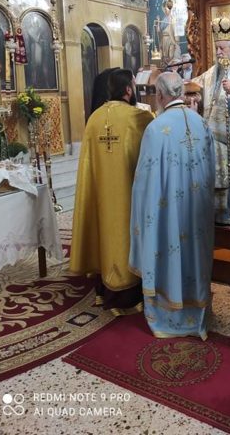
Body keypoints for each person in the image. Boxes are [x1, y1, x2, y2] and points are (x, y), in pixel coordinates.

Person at [129, 72, 215, 339]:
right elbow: (212, 170)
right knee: (196, 256)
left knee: (170, 254)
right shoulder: (201, 122)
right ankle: (198, 315)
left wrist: (143, 213)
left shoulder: (157, 128)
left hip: (169, 213)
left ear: (159, 95)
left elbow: (145, 181)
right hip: (197, 211)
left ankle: (170, 318)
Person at [70, 69, 153, 314]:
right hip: (128, 198)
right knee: (126, 234)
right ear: (128, 89)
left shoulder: (94, 118)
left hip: (102, 198)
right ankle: (130, 295)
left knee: (104, 233)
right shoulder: (139, 118)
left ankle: (102, 289)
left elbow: (88, 167)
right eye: (134, 85)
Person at [192, 16, 230, 223]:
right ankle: (215, 221)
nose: (218, 52)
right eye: (217, 48)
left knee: (229, 181)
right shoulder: (212, 72)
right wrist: (193, 93)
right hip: (211, 138)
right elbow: (197, 86)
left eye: (222, 48)